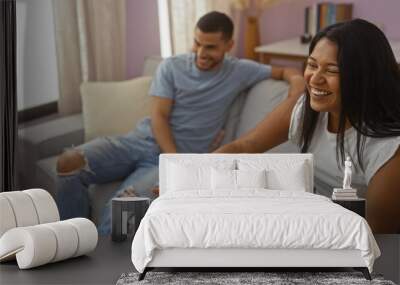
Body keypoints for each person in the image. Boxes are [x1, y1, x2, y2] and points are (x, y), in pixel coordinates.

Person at [55, 11, 305, 235]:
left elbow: (283, 72)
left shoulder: (239, 70)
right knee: (68, 162)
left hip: (178, 156)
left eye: (210, 47)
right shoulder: (172, 67)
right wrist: (173, 163)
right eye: (197, 43)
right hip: (141, 142)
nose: (200, 53)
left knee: (121, 210)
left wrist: (297, 88)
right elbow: (159, 117)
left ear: (229, 45)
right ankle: (71, 239)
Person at [215, 19, 400, 234]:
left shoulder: (389, 149)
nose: (315, 79)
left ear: (364, 77)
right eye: (312, 65)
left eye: (331, 70)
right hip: (313, 221)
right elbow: (245, 146)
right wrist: (183, 183)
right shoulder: (306, 108)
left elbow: (376, 234)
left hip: (353, 242)